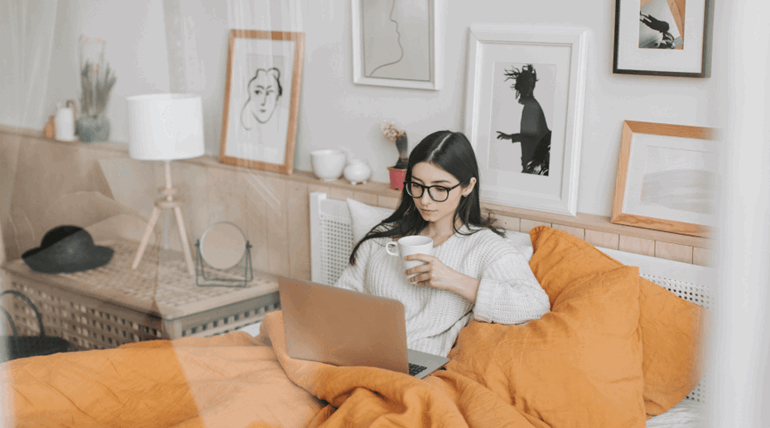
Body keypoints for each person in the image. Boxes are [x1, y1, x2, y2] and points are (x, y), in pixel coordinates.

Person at [333, 131, 550, 357]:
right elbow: (338, 301)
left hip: (418, 366)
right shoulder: (383, 238)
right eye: (417, 185)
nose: (425, 200)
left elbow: (535, 305)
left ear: (467, 186)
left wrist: (453, 280)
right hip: (360, 353)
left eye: (440, 188)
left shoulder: (484, 247)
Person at [495, 64, 551, 175]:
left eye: (520, 90)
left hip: (536, 163)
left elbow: (530, 136)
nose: (519, 93)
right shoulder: (531, 106)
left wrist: (510, 137)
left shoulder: (531, 107)